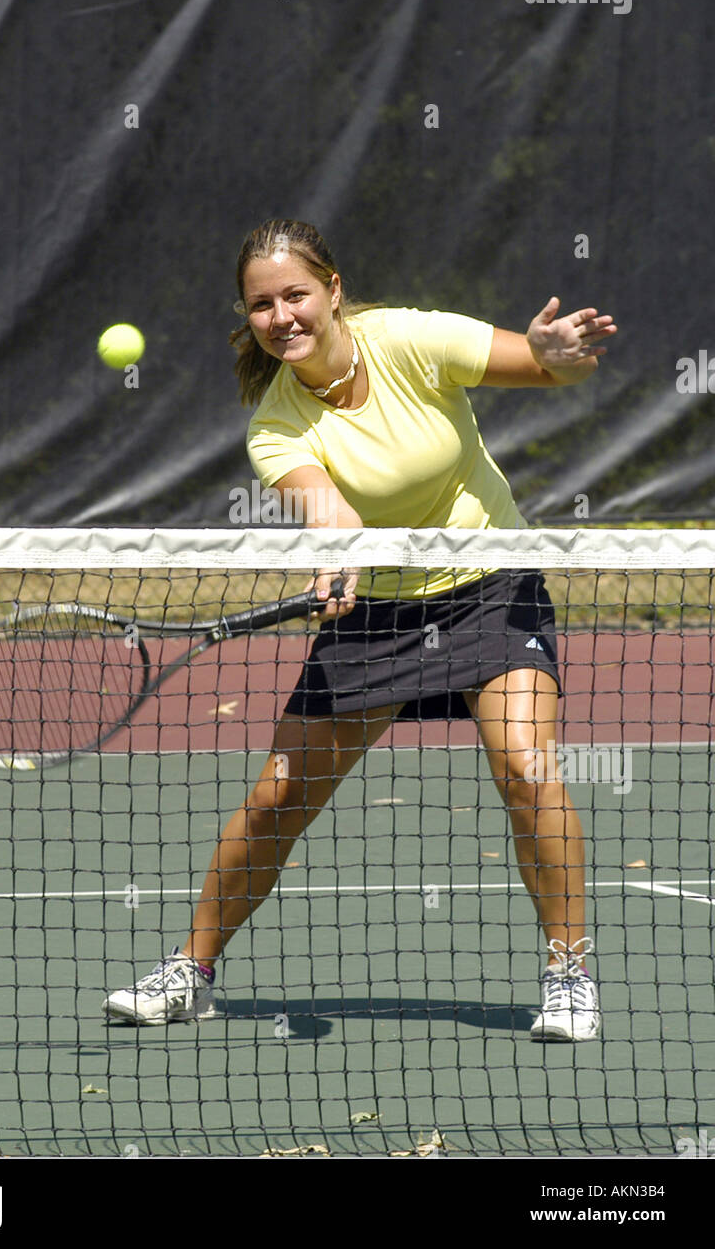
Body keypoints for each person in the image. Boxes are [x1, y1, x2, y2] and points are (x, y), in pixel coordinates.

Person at [104, 218, 617, 1040]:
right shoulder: (277, 425)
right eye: (262, 304)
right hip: (375, 615)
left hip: (490, 589)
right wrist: (340, 552)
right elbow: (325, 503)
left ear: (334, 290)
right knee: (278, 800)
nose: (282, 317)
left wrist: (552, 351)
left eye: (296, 295)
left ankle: (568, 973)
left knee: (525, 768)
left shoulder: (408, 341)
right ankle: (191, 971)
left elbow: (538, 365)